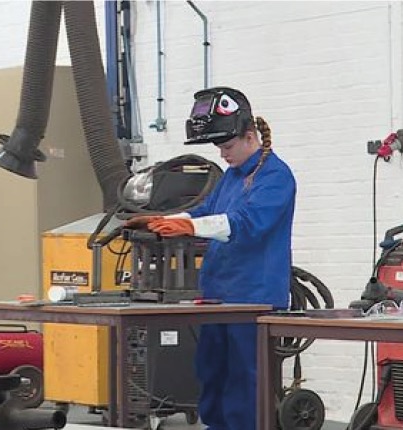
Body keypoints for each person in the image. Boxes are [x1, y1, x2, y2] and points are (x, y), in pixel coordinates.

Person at [128, 86, 296, 430]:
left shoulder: (276, 177)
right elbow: (208, 212)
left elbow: (247, 224)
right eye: (220, 147)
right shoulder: (232, 177)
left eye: (228, 146)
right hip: (218, 296)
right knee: (211, 374)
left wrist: (188, 228)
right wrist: (171, 221)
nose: (223, 154)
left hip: (252, 299)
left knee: (243, 383)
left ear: (250, 136)